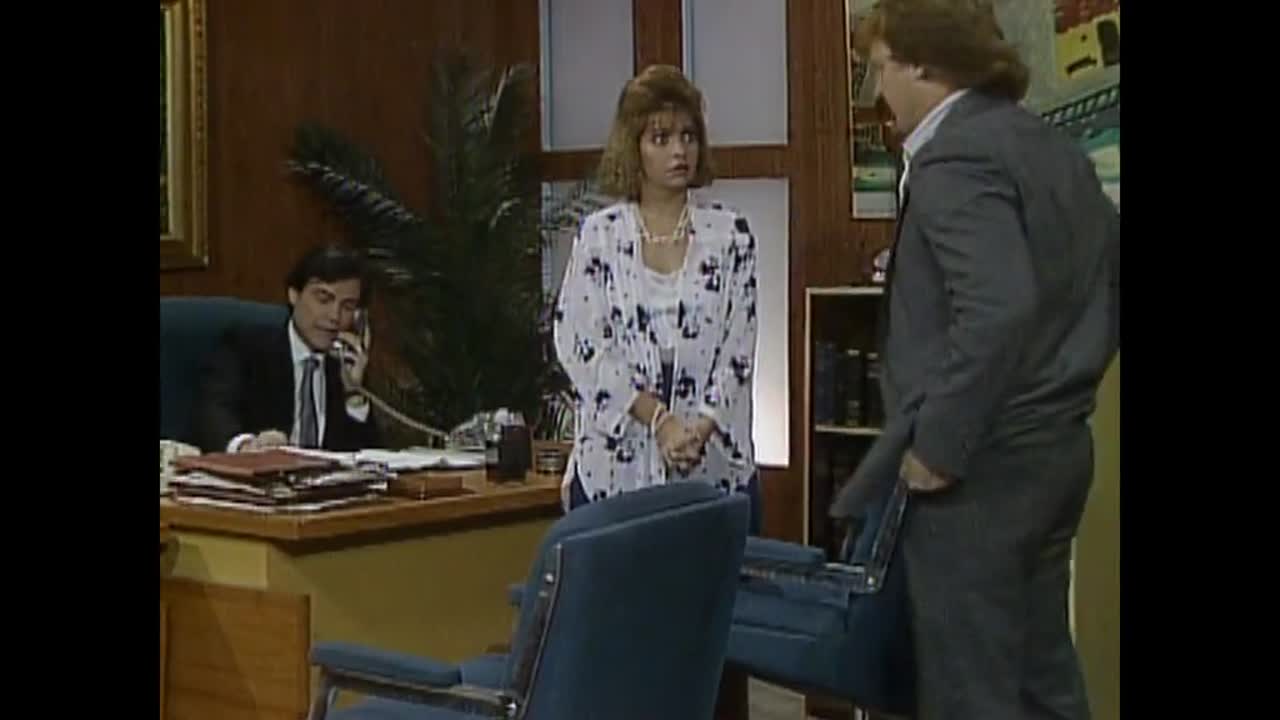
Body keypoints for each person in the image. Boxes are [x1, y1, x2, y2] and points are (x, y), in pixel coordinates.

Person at [829, 1, 1121, 718]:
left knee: (971, 692)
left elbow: (998, 306)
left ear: (925, 63)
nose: (878, 91)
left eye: (881, 68)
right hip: (1055, 450)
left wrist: (939, 445)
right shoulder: (1049, 147)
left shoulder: (954, 158)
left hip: (981, 469)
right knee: (1041, 681)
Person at [552, 64, 761, 531]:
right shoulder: (600, 237)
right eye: (661, 138)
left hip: (709, 463)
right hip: (616, 469)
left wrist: (699, 427)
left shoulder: (730, 235)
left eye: (688, 136)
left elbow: (739, 349)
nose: (679, 151)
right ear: (634, 147)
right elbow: (578, 343)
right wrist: (658, 420)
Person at [194, 244, 382, 454]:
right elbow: (212, 414)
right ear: (294, 294)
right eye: (323, 299)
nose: (335, 316)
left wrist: (354, 394)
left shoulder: (344, 365)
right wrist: (246, 447)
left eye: (347, 306)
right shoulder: (246, 347)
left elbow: (366, 455)